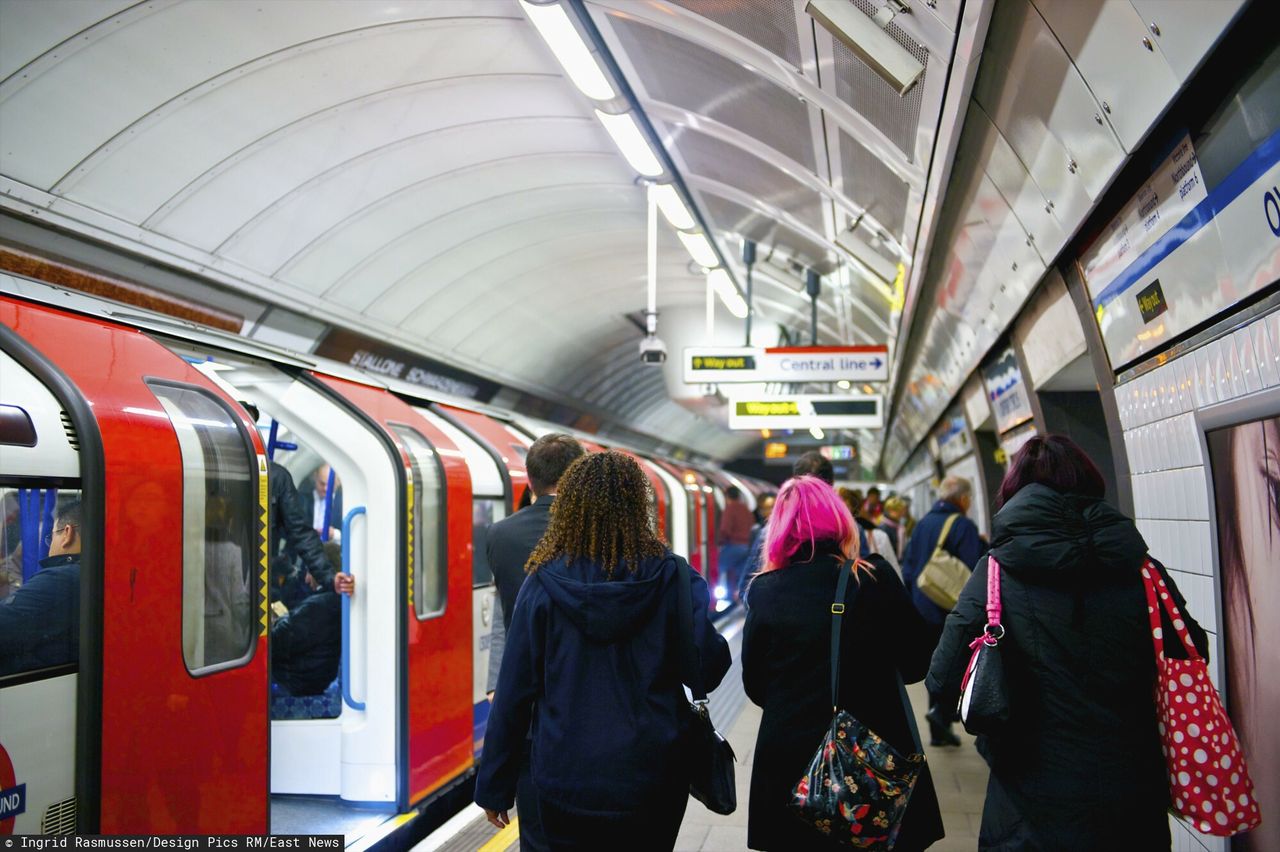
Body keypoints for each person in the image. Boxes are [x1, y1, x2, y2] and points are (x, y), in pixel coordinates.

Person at [927, 435, 1209, 851]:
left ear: (1013, 491)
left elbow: (942, 678)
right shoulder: (1142, 569)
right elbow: (1192, 649)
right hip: (1132, 793)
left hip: (1030, 797)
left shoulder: (995, 574)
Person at [475, 451, 730, 851]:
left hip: (565, 773)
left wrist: (494, 784)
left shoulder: (541, 582)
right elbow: (709, 668)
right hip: (654, 771)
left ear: (571, 508)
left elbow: (514, 690)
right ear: (637, 506)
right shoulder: (675, 576)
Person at [742, 476, 944, 852]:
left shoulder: (765, 590)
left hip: (791, 763)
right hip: (871, 760)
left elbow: (755, 686)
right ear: (838, 520)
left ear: (780, 528)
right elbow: (918, 663)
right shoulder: (873, 577)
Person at [483, 433, 585, 852]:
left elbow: (508, 619)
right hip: (594, 708)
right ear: (581, 476)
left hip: (532, 714)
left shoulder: (500, 535)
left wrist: (493, 780)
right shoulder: (605, 534)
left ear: (529, 478)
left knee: (540, 835)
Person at [900, 475, 983, 747]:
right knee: (958, 661)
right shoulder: (963, 526)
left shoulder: (922, 524)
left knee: (937, 664)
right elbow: (972, 569)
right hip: (951, 607)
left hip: (923, 605)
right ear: (962, 498)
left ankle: (940, 725)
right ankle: (943, 713)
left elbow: (910, 566)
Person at [239, 402, 353, 598]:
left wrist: (328, 576)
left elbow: (300, 533)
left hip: (259, 578)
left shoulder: (276, 478)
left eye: (252, 425)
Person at [0, 497, 81, 676]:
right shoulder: (102, 574)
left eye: (51, 536)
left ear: (67, 534)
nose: (49, 545)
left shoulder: (62, 579)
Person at [271, 541, 352, 696]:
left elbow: (276, 644)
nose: (307, 580)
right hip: (310, 677)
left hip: (297, 682)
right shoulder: (331, 601)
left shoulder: (319, 606)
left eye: (309, 572)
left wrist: (274, 623)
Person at [737, 493, 775, 604]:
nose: (770, 511)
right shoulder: (758, 530)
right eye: (766, 508)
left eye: (772, 507)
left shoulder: (762, 530)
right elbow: (752, 559)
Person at [718, 485, 754, 596]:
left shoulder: (730, 508)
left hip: (734, 546)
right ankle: (738, 596)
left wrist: (720, 542)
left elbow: (725, 529)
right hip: (747, 547)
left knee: (718, 567)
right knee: (741, 575)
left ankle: (717, 594)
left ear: (727, 497)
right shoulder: (746, 510)